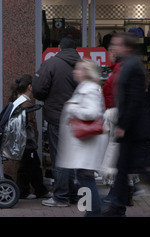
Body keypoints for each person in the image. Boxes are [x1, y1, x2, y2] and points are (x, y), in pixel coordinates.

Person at [102, 33, 150, 217]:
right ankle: (117, 207)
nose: (114, 48)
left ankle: (117, 207)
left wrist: (123, 125)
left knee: (139, 168)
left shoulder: (133, 65)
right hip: (132, 128)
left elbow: (133, 99)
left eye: (117, 45)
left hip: (133, 129)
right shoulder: (129, 64)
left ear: (126, 47)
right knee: (123, 169)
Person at [32, 36, 80, 207]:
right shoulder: (83, 66)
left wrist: (48, 98)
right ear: (76, 48)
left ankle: (61, 196)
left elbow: (37, 89)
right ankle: (74, 194)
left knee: (60, 158)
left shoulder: (51, 64)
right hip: (80, 120)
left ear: (59, 47)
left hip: (58, 118)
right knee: (75, 158)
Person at [56, 59, 109, 216]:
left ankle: (93, 212)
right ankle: (92, 211)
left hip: (86, 143)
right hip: (85, 143)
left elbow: (92, 113)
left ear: (85, 72)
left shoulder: (90, 89)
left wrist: (73, 109)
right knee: (84, 177)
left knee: (85, 178)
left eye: (78, 69)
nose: (75, 72)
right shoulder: (87, 87)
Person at [10, 75, 51, 200]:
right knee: (27, 167)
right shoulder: (27, 104)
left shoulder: (15, 101)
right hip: (27, 142)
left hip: (21, 141)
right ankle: (25, 191)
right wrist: (36, 140)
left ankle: (39, 190)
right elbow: (32, 125)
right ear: (29, 87)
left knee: (33, 166)